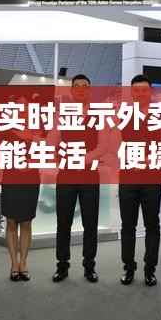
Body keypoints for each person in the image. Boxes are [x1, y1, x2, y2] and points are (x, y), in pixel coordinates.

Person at [52, 74, 106, 283]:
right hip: (66, 175)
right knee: (63, 223)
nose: (81, 89)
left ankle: (89, 266)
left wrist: (83, 159)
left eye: (85, 86)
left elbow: (103, 146)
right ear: (72, 91)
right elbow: (52, 141)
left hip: (89, 175)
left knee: (90, 224)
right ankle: (62, 266)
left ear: (90, 90)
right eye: (77, 86)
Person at [118, 74, 161, 287]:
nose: (140, 94)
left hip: (151, 179)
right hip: (128, 179)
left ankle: (149, 270)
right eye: (136, 90)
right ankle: (128, 268)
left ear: (150, 92)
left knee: (152, 225)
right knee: (128, 226)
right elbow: (112, 145)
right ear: (131, 92)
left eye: (144, 90)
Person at [1, 94, 42, 282]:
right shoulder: (5, 128)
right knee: (11, 222)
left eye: (24, 106)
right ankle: (13, 263)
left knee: (26, 222)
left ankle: (23, 262)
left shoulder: (36, 127)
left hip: (30, 177)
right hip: (11, 176)